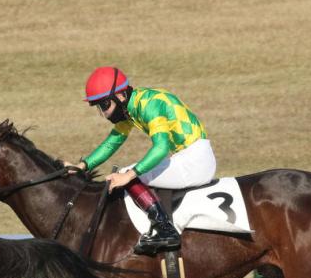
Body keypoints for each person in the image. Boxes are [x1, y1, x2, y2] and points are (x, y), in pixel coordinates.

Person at [63, 66, 216, 254]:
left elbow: (161, 148)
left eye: (104, 105)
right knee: (126, 173)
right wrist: (81, 166)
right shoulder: (132, 106)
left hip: (195, 161)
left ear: (120, 95)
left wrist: (129, 175)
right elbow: (112, 143)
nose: (104, 113)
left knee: (126, 173)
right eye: (99, 107)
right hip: (189, 157)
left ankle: (165, 230)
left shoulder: (150, 105)